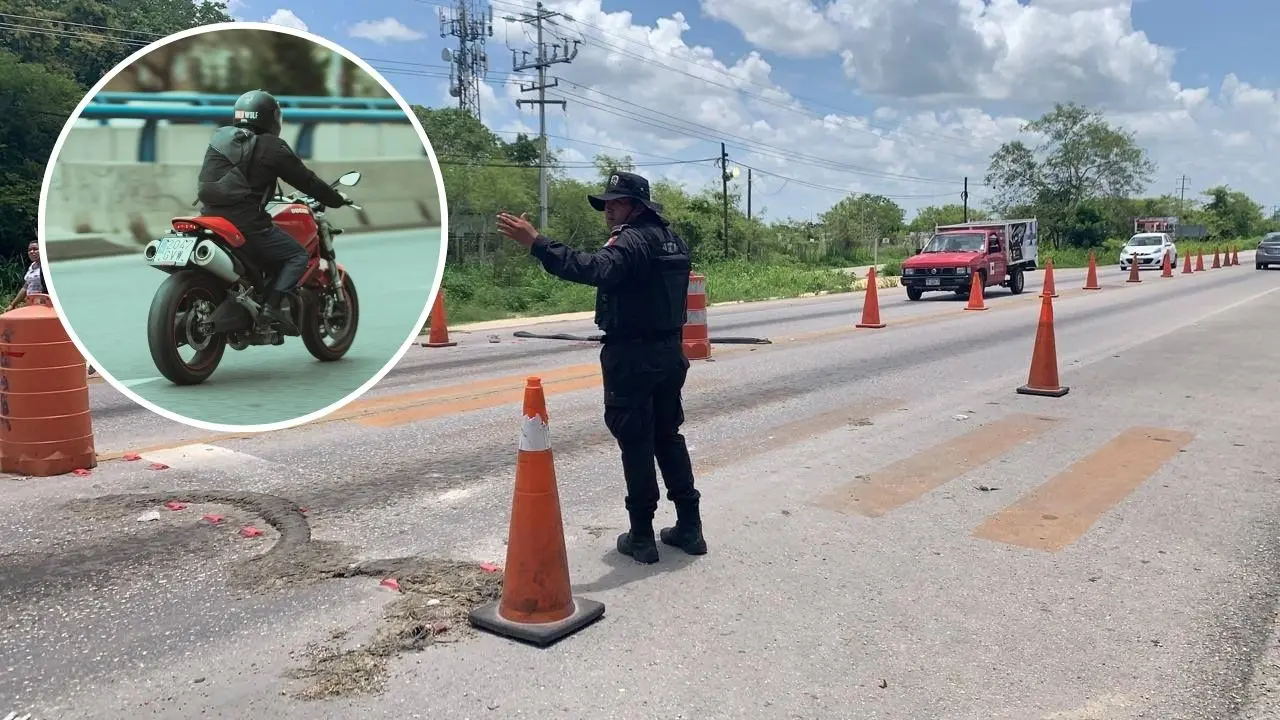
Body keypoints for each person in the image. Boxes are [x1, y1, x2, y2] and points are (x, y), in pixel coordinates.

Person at [495, 171, 707, 565]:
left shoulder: (632, 240)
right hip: (668, 352)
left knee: (636, 441)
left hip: (632, 357)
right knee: (667, 435)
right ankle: (690, 527)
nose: (608, 210)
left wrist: (538, 244)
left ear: (638, 205)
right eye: (607, 203)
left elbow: (593, 268)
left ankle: (642, 536)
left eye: (617, 202)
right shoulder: (671, 239)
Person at [194, 89, 351, 336]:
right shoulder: (272, 147)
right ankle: (272, 308)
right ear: (271, 118)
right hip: (246, 223)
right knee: (296, 256)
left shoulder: (224, 140)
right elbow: (307, 181)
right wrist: (334, 199)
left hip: (209, 218)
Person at [7, 240, 45, 311]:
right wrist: (12, 304)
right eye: (29, 250)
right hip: (31, 304)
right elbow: (25, 287)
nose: (31, 252)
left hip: (45, 304)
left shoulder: (48, 266)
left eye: (35, 249)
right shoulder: (32, 266)